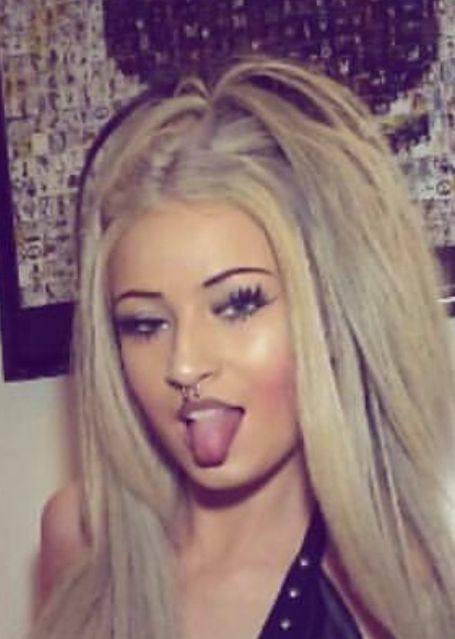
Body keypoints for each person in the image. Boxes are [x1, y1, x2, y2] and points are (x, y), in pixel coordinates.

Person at [33, 57, 455, 639]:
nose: (184, 364)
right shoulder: (82, 541)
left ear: (328, 314)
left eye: (238, 305)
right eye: (145, 324)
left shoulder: (402, 576)